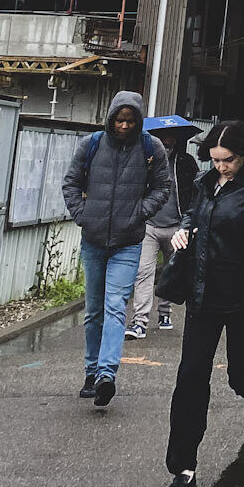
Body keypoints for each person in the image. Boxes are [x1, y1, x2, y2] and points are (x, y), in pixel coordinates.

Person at [161, 120, 244, 487]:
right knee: (190, 380)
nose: (221, 167)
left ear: (242, 154)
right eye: (215, 161)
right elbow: (193, 217)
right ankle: (184, 469)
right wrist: (183, 231)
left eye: (227, 161)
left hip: (242, 298)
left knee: (243, 376)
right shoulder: (203, 183)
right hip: (202, 296)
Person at [62, 90, 173, 408]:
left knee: (115, 307)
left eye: (130, 120)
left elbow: (162, 187)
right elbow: (71, 183)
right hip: (93, 240)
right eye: (119, 120)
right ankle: (91, 371)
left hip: (128, 241)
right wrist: (83, 215)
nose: (124, 126)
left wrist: (140, 212)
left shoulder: (151, 148)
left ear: (139, 120)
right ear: (111, 118)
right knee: (94, 310)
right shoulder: (92, 144)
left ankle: (106, 375)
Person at [128, 116, 200, 339]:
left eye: (171, 137)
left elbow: (197, 194)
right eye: (162, 137)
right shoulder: (143, 162)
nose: (167, 141)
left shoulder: (187, 163)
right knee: (143, 273)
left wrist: (190, 224)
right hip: (149, 226)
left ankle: (165, 313)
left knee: (171, 273)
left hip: (177, 228)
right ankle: (139, 322)